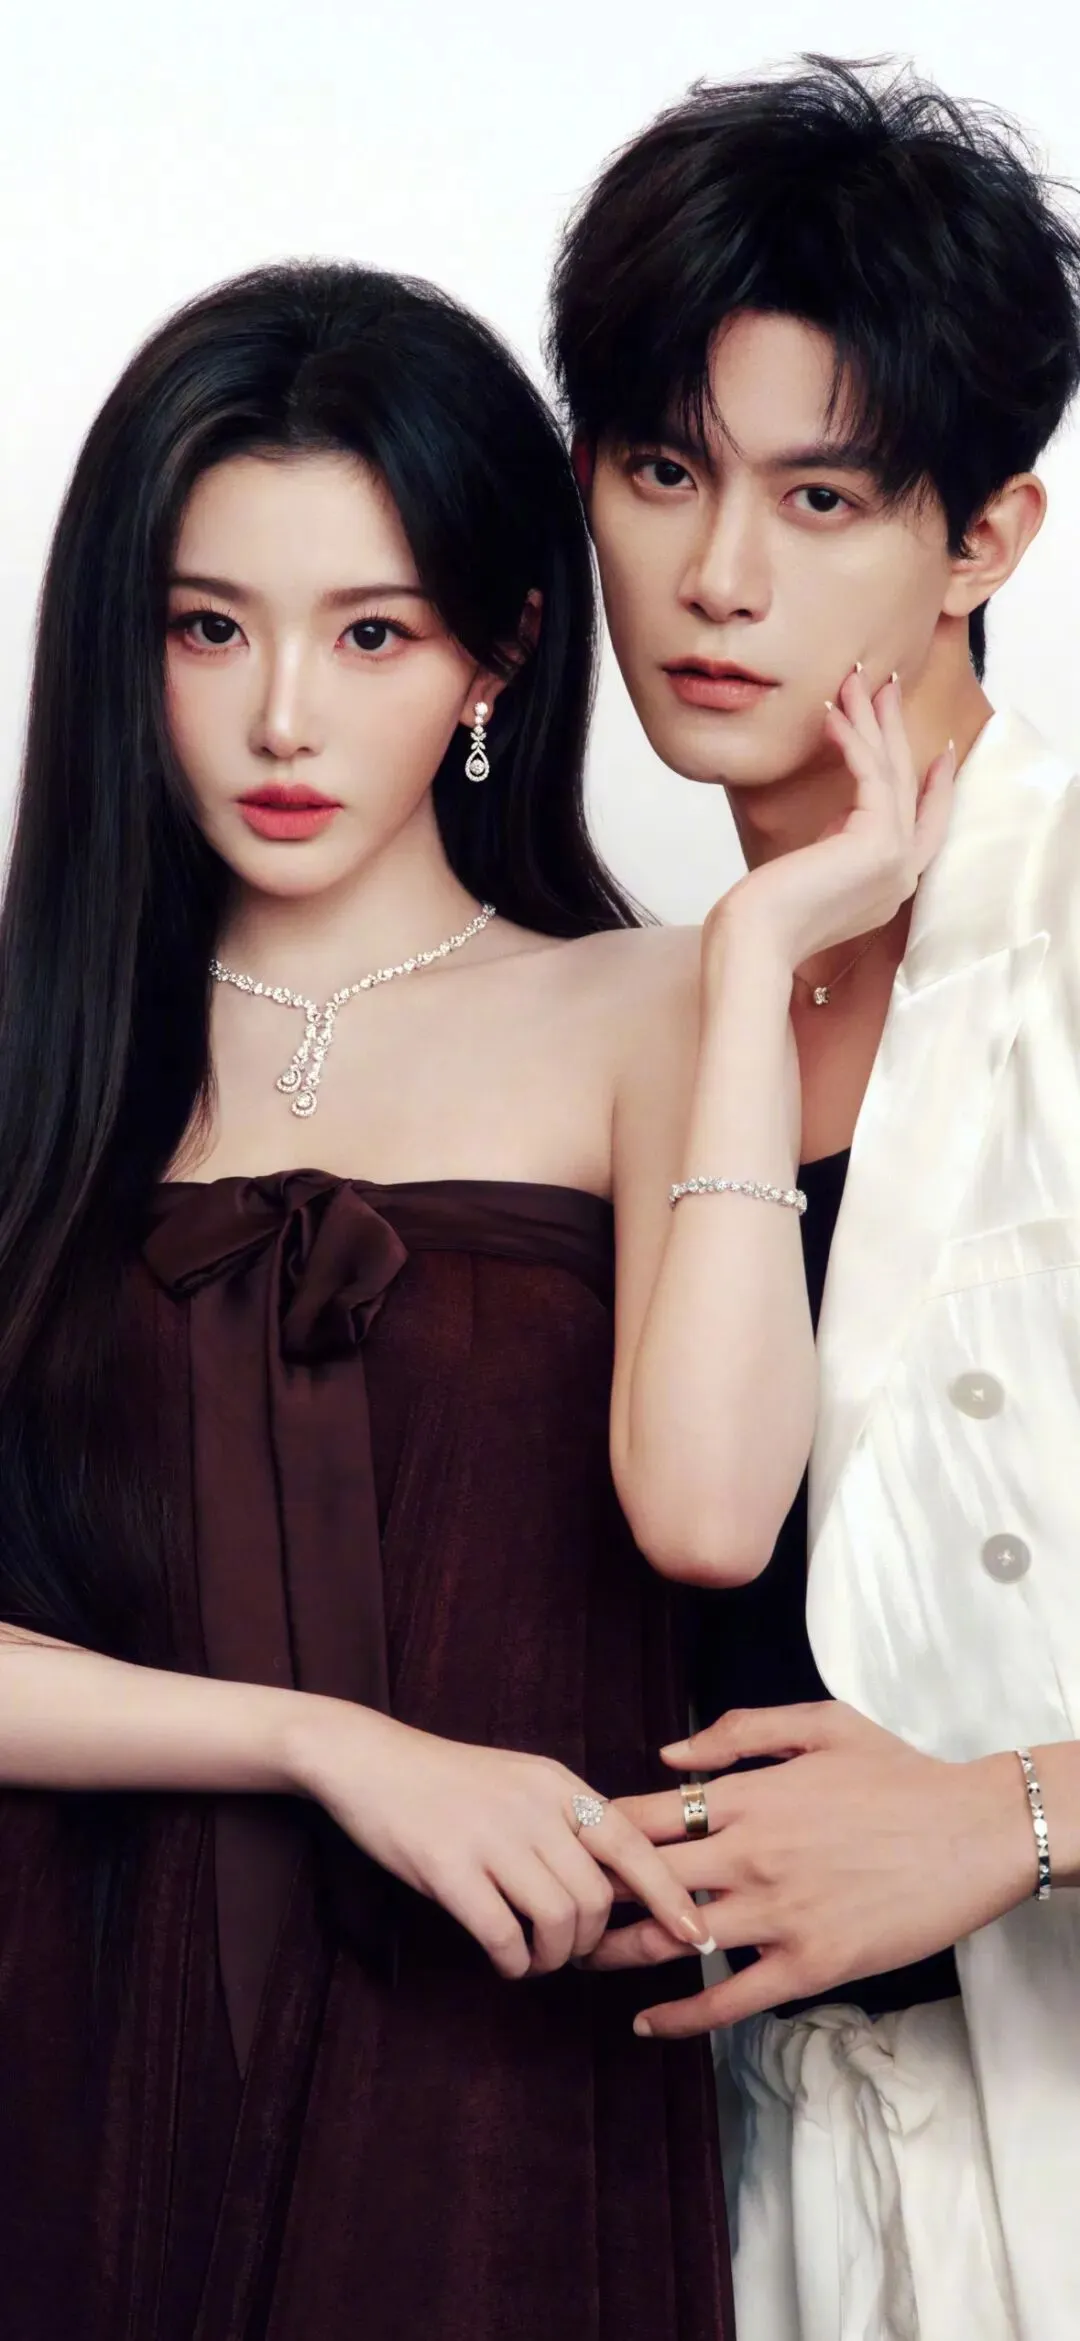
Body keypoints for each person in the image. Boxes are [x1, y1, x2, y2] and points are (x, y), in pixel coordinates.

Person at [0, 258, 924, 2338]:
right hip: (72, 2035)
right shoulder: (38, 1050)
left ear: (500, 650)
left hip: (496, 2060)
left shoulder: (650, 1001)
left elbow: (710, 1514)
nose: (285, 718)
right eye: (208, 628)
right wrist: (327, 1746)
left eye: (373, 632)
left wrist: (755, 960)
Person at [548, 54, 1080, 2341]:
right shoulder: (645, 1003)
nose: (718, 579)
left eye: (825, 495)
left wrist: (1018, 1814)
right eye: (664, 470)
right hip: (718, 2180)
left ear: (986, 541)